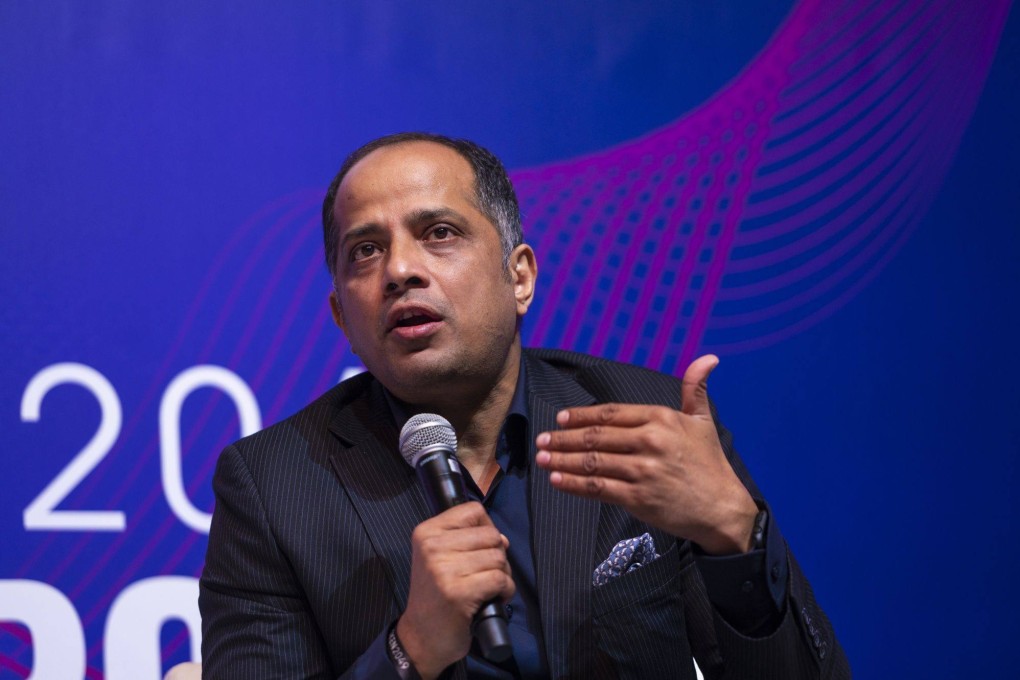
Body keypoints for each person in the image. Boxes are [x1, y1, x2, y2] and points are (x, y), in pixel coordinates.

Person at [199, 132, 849, 679]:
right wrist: (410, 650)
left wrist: (735, 533)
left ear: (520, 277)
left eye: (439, 232)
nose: (400, 270)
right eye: (365, 251)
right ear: (343, 315)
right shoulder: (273, 486)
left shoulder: (644, 421)